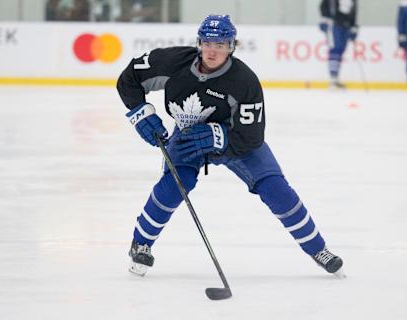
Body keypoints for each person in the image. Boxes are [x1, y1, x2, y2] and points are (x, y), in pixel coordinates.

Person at [117, 15, 344, 278]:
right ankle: (141, 243)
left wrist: (218, 136)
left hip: (235, 137)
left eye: (222, 44)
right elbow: (129, 78)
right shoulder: (171, 62)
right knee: (175, 184)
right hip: (189, 134)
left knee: (275, 188)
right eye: (208, 43)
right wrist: (140, 113)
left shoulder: (244, 81)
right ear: (199, 43)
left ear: (232, 47)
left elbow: (252, 136)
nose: (213, 50)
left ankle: (318, 250)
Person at [319, 0, 358, 89]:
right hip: (334, 24)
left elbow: (354, 11)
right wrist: (324, 18)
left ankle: (336, 78)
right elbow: (324, 5)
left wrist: (354, 26)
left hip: (346, 26)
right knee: (335, 49)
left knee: (341, 50)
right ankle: (333, 79)